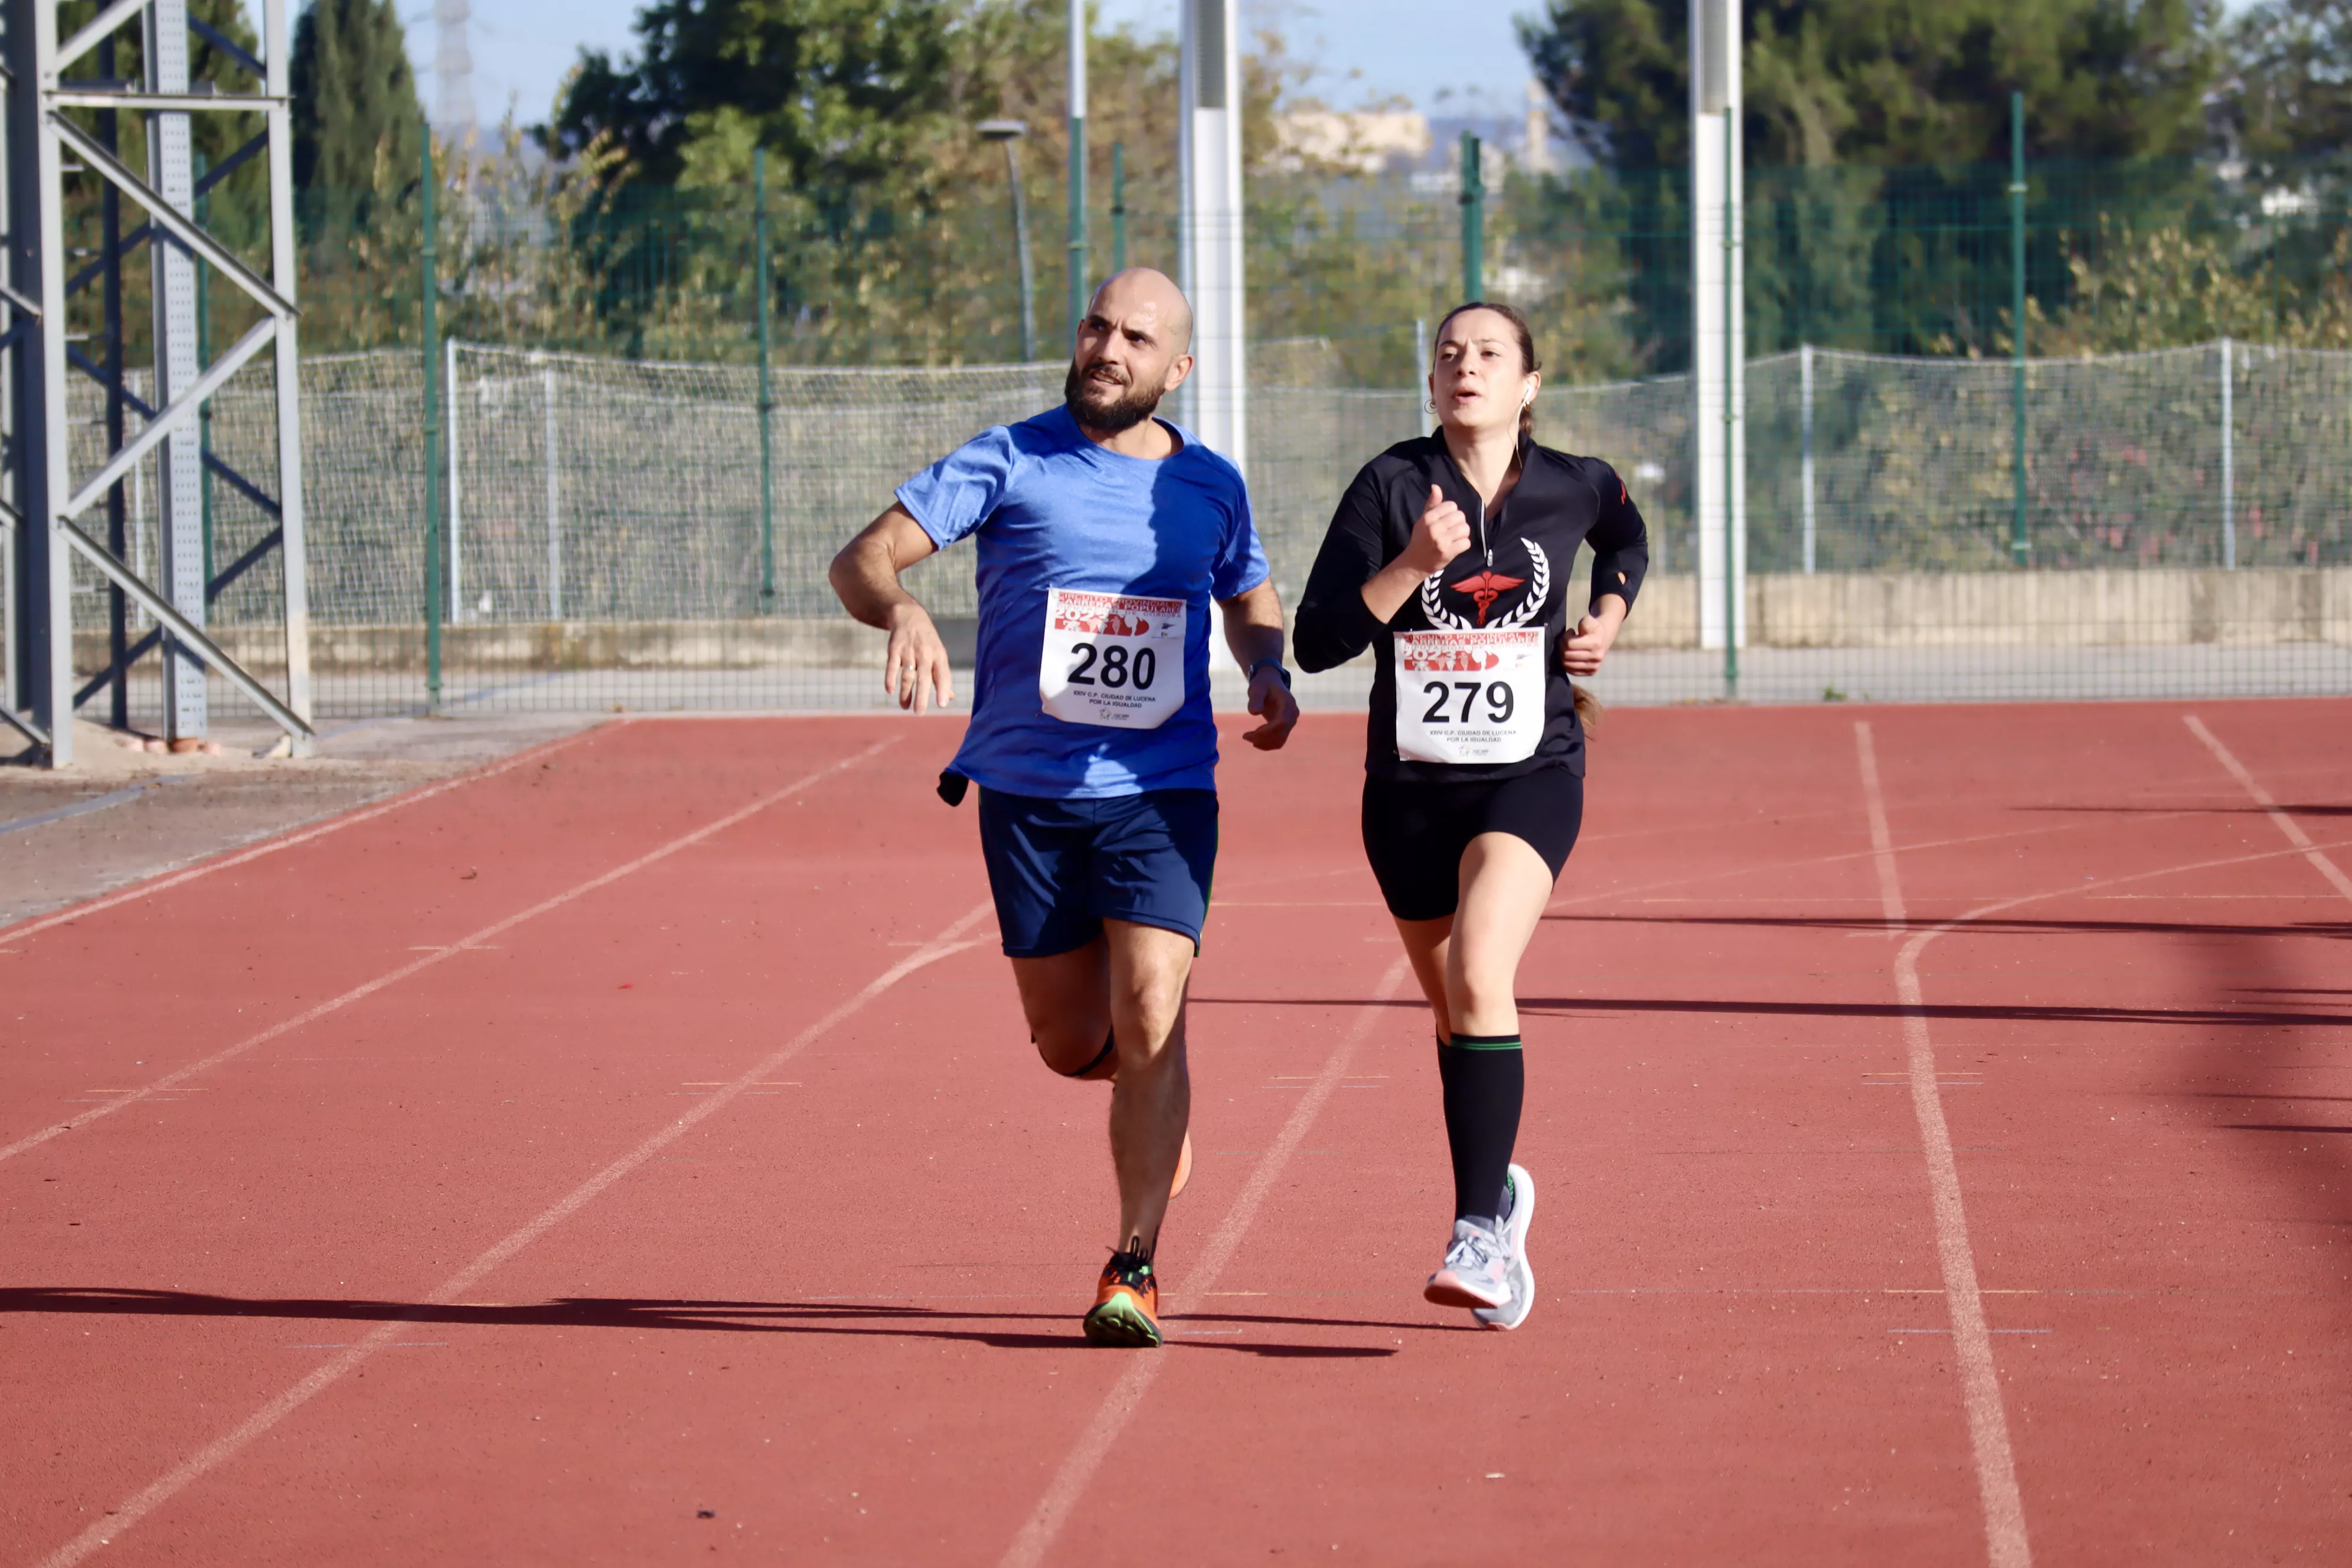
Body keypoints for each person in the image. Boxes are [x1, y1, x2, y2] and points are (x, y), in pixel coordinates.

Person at [828, 268, 1301, 1348]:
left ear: (1175, 369)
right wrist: (899, 607)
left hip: (1162, 792)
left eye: (1136, 337)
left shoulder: (1212, 485)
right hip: (1029, 797)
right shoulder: (1008, 458)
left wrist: (1267, 667)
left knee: (1152, 1013)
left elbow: (1249, 595)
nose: (1108, 348)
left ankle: (1132, 1264)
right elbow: (861, 558)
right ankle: (1149, 1094)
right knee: (1066, 1040)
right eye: (1097, 326)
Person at [1292, 300, 1647, 1330]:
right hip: (1407, 793)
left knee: (1482, 975)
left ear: (1529, 384)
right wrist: (1408, 564)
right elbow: (1316, 642)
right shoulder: (1391, 483)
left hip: (1531, 770)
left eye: (1490, 354)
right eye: (1448, 354)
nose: (1465, 367)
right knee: (1456, 1014)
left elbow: (1627, 538)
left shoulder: (1576, 482)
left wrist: (1606, 621)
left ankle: (1476, 1236)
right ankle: (1503, 1193)